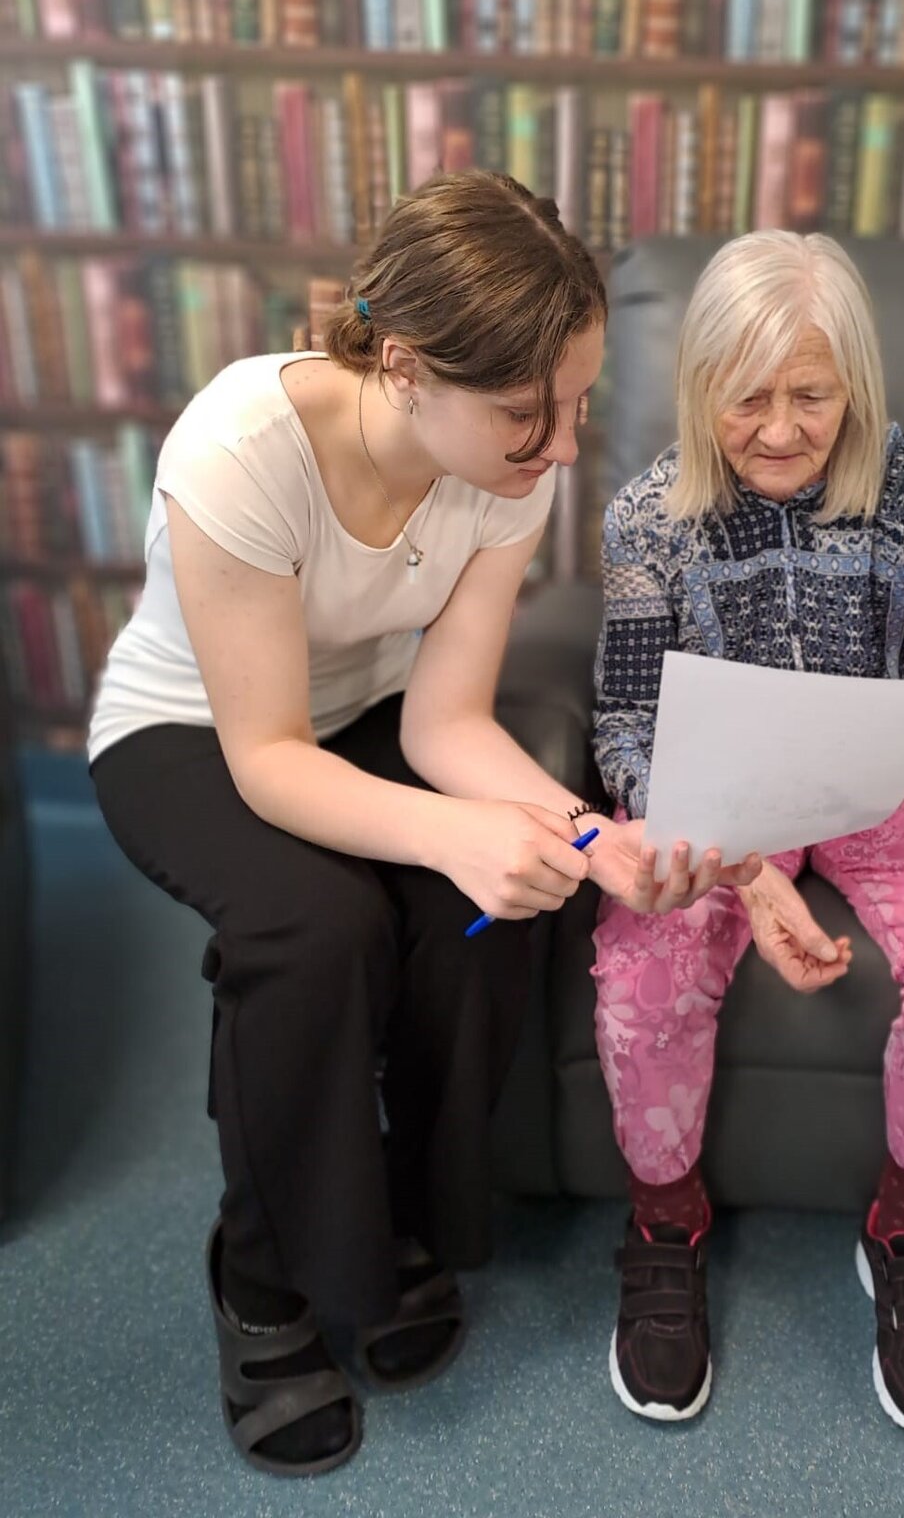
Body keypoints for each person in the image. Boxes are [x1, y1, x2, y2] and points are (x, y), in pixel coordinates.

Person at [88, 171, 758, 1477]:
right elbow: (268, 759)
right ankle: (262, 1285)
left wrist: (591, 843)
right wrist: (455, 834)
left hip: (365, 716)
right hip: (197, 729)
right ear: (401, 367)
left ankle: (392, 1225)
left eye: (575, 403)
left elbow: (445, 724)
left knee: (477, 918)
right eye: (527, 413)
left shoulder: (508, 468)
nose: (560, 446)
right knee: (314, 929)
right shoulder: (237, 449)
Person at [590, 230, 904, 1435]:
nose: (783, 431)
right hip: (717, 789)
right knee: (645, 963)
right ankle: (664, 1221)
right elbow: (624, 729)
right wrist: (741, 869)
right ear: (698, 386)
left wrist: (899, 742)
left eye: (812, 395)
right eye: (747, 398)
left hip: (899, 777)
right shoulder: (645, 515)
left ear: (855, 384)